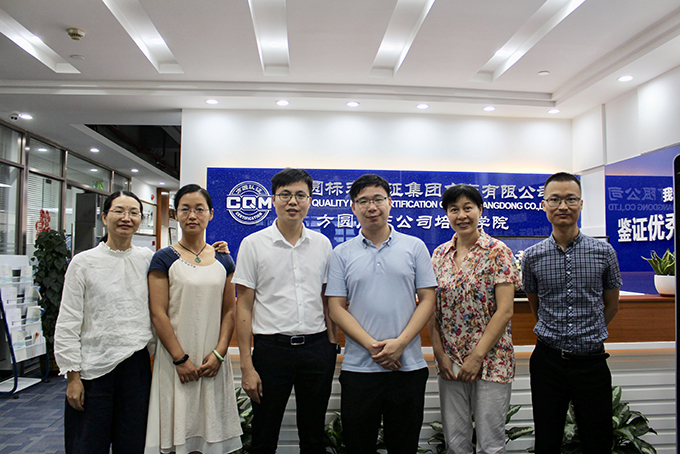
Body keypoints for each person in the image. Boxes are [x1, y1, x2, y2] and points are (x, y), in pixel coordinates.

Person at [325, 174, 437, 454]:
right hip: (359, 368)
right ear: (353, 207)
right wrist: (373, 346)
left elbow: (428, 300)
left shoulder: (414, 246)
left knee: (404, 447)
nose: (371, 207)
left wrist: (399, 344)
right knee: (358, 447)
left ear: (390, 203)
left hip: (407, 366)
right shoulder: (341, 253)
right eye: (363, 201)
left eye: (378, 199)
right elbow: (336, 307)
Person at [233, 168, 337, 454]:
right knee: (264, 435)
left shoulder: (322, 244)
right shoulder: (253, 244)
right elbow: (244, 305)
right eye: (285, 195)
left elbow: (326, 299)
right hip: (271, 351)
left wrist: (331, 344)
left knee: (314, 436)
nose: (293, 201)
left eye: (300, 195)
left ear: (310, 200)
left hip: (316, 350)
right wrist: (246, 365)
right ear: (273, 199)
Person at [522, 172, 622, 454]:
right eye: (555, 199)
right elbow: (536, 306)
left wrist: (588, 332)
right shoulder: (532, 256)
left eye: (570, 199)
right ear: (544, 205)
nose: (562, 206)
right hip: (548, 362)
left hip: (591, 362)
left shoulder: (604, 252)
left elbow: (612, 305)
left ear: (581, 204)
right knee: (547, 440)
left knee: (598, 440)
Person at [145, 184, 242, 454]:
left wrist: (220, 353)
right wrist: (180, 359)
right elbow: (158, 313)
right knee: (178, 431)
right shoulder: (163, 258)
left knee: (209, 432)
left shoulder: (224, 259)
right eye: (185, 209)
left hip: (212, 360)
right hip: (175, 359)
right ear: (176, 214)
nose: (192, 215)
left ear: (211, 214)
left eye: (199, 209)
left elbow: (229, 311)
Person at [55, 191, 153, 454]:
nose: (126, 218)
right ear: (104, 217)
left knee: (133, 445)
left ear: (140, 220)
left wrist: (215, 252)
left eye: (133, 213)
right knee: (87, 446)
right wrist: (72, 377)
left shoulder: (147, 259)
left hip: (136, 367)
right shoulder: (83, 263)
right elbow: (68, 321)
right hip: (93, 369)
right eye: (118, 211)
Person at [428, 184, 520, 454]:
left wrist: (477, 357)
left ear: (480, 210)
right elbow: (432, 310)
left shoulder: (498, 251)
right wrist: (439, 354)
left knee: (490, 444)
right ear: (446, 214)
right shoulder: (439, 255)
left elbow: (505, 310)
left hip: (491, 360)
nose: (461, 215)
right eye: (454, 209)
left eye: (468, 208)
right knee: (456, 443)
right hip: (450, 361)